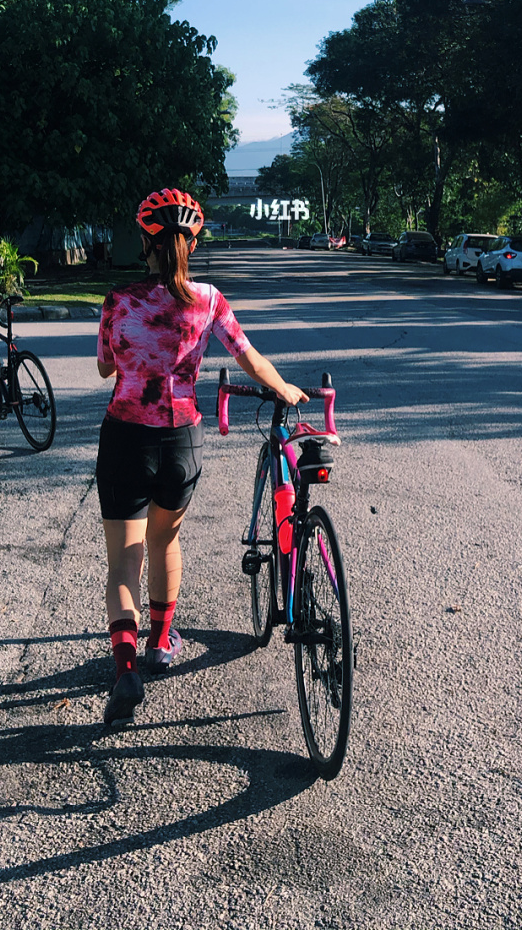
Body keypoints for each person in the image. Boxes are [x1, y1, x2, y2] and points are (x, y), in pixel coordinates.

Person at [96, 187, 307, 726]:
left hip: (125, 436)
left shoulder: (119, 301)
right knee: (166, 539)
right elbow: (248, 356)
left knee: (124, 560)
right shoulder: (209, 300)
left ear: (146, 243)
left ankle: (125, 669)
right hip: (181, 441)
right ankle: (163, 643)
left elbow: (105, 368)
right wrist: (285, 389)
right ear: (193, 242)